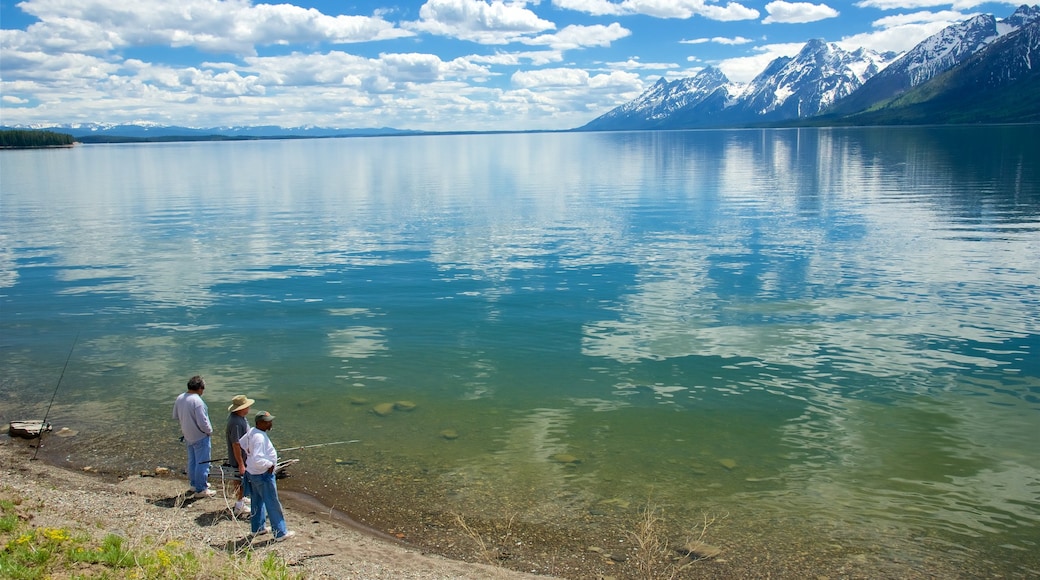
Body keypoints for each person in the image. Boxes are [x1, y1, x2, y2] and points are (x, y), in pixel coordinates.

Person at [239, 411, 295, 541]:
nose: (270, 423)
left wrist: (249, 452)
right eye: (268, 421)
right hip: (263, 475)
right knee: (272, 504)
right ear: (260, 423)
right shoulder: (259, 437)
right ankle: (280, 533)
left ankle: (257, 528)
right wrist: (270, 465)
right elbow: (258, 458)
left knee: (257, 501)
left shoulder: (252, 431)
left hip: (252, 473)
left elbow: (241, 443)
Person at [172, 375, 215, 498]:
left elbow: (176, 415)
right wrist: (209, 431)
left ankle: (194, 484)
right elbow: (203, 422)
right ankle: (201, 489)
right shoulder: (197, 401)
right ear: (200, 388)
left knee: (192, 461)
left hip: (187, 435)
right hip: (200, 436)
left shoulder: (180, 398)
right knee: (203, 462)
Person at [226, 394, 255, 516]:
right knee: (239, 479)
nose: (249, 408)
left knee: (241, 480)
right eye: (247, 406)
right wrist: (241, 464)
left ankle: (241, 498)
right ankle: (239, 505)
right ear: (241, 408)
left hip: (244, 456)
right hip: (239, 458)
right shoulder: (236, 422)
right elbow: (236, 444)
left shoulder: (240, 418)